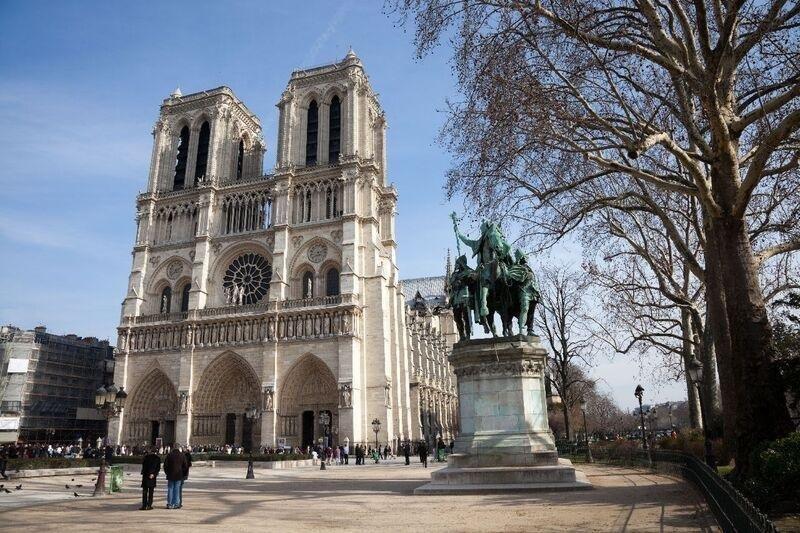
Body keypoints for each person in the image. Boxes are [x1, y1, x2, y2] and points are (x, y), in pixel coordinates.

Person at [164, 445, 188, 509]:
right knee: (177, 489)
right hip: (179, 475)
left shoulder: (169, 455)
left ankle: (169, 503)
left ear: (173, 448)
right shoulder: (182, 455)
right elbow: (185, 466)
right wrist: (183, 474)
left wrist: (167, 473)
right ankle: (176, 504)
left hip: (170, 475)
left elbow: (165, 466)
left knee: (170, 489)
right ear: (179, 448)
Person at [140, 446, 161, 511]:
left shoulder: (146, 457)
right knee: (151, 492)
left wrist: (144, 473)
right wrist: (153, 474)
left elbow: (143, 467)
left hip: (146, 476)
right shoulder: (157, 458)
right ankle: (149, 505)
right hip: (152, 477)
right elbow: (158, 468)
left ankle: (144, 505)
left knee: (145, 491)